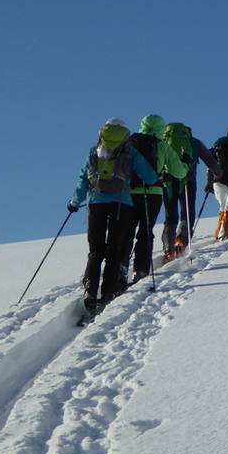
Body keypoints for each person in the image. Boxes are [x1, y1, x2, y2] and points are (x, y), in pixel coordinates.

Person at [68, 118, 157, 316]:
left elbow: (83, 177)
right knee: (114, 248)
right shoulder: (129, 150)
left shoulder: (94, 150)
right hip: (121, 203)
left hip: (96, 203)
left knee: (95, 249)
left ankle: (90, 290)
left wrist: (75, 202)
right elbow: (150, 176)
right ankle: (108, 292)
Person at [123, 114, 189, 283]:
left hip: (130, 193)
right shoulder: (162, 146)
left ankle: (121, 268)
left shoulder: (130, 143)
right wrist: (186, 163)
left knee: (127, 231)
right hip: (153, 194)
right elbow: (179, 172)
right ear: (161, 128)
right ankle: (141, 270)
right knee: (145, 232)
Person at [161, 122, 221, 258]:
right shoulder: (194, 142)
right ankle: (181, 238)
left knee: (170, 215)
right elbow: (210, 161)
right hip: (188, 181)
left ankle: (168, 247)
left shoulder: (164, 141)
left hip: (168, 182)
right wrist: (218, 173)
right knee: (187, 213)